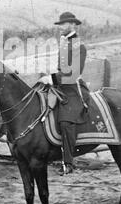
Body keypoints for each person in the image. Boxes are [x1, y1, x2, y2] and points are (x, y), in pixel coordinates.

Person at [38, 12, 90, 175]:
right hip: (61, 86)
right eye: (60, 25)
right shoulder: (65, 43)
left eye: (64, 24)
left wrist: (52, 79)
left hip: (73, 88)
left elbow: (73, 73)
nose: (61, 27)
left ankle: (68, 163)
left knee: (66, 121)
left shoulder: (78, 46)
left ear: (73, 25)